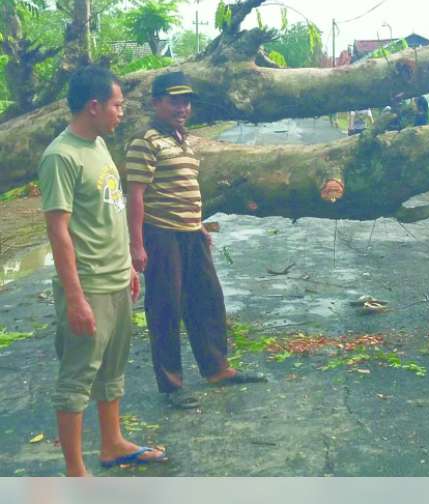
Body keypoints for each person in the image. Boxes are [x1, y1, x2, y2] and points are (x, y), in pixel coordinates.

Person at [125, 71, 346, 408]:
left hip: (190, 232)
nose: (182, 107)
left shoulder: (183, 140)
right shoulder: (146, 142)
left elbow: (186, 190)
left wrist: (198, 225)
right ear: (156, 103)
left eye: (186, 101)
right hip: (161, 235)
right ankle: (171, 385)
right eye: (174, 101)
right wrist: (137, 245)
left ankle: (216, 368)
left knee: (207, 299)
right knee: (166, 308)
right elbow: (137, 196)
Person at [38, 65, 167, 476]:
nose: (121, 113)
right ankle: (76, 472)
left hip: (116, 278)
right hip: (88, 284)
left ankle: (112, 444)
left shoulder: (97, 146)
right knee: (77, 378)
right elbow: (58, 232)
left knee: (113, 369)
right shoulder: (61, 156)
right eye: (117, 106)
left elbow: (108, 212)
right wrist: (75, 298)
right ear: (93, 106)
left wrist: (129, 262)